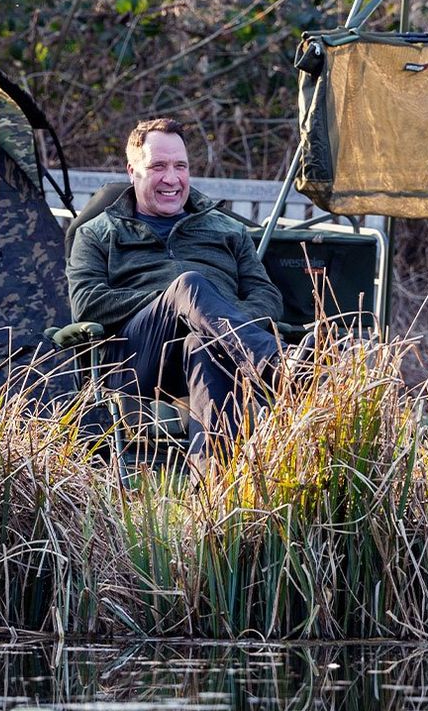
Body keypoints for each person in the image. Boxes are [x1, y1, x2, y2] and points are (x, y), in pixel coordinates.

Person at [65, 117, 284, 457]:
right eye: (158, 167)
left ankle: (212, 491)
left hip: (218, 349)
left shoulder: (228, 230)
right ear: (132, 170)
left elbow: (267, 296)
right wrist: (175, 304)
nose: (172, 179)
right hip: (137, 360)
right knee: (189, 287)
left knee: (203, 342)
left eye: (180, 166)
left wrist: (219, 323)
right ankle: (279, 369)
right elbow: (87, 302)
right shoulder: (97, 233)